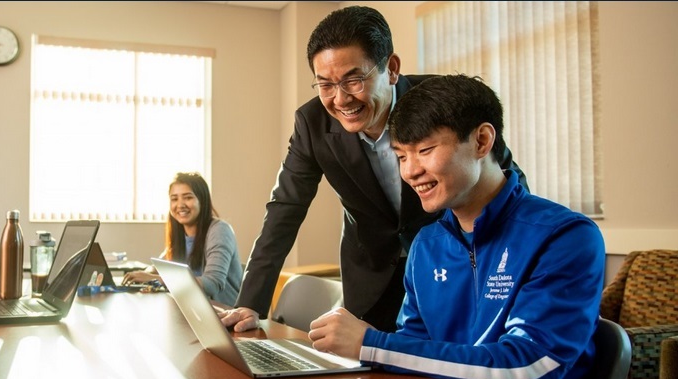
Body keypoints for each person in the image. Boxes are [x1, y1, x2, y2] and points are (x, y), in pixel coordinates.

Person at [307, 75, 604, 379]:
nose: (411, 171)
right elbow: (410, 358)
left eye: (426, 150)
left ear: (481, 140)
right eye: (401, 156)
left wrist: (374, 345)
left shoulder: (564, 237)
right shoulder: (426, 245)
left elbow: (528, 372)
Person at [220, 5, 527, 333]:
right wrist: (250, 302)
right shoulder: (312, 123)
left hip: (451, 269)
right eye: (325, 85)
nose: (340, 99)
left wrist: (514, 264)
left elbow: (504, 179)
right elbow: (284, 209)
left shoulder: (444, 103)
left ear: (391, 69)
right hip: (371, 277)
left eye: (353, 80)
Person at [121, 172, 242, 306]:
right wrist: (143, 275)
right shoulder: (181, 235)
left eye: (188, 197)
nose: (180, 205)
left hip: (225, 315)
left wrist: (158, 279)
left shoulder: (220, 230)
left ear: (202, 200)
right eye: (174, 199)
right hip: (193, 311)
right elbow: (157, 266)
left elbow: (212, 283)